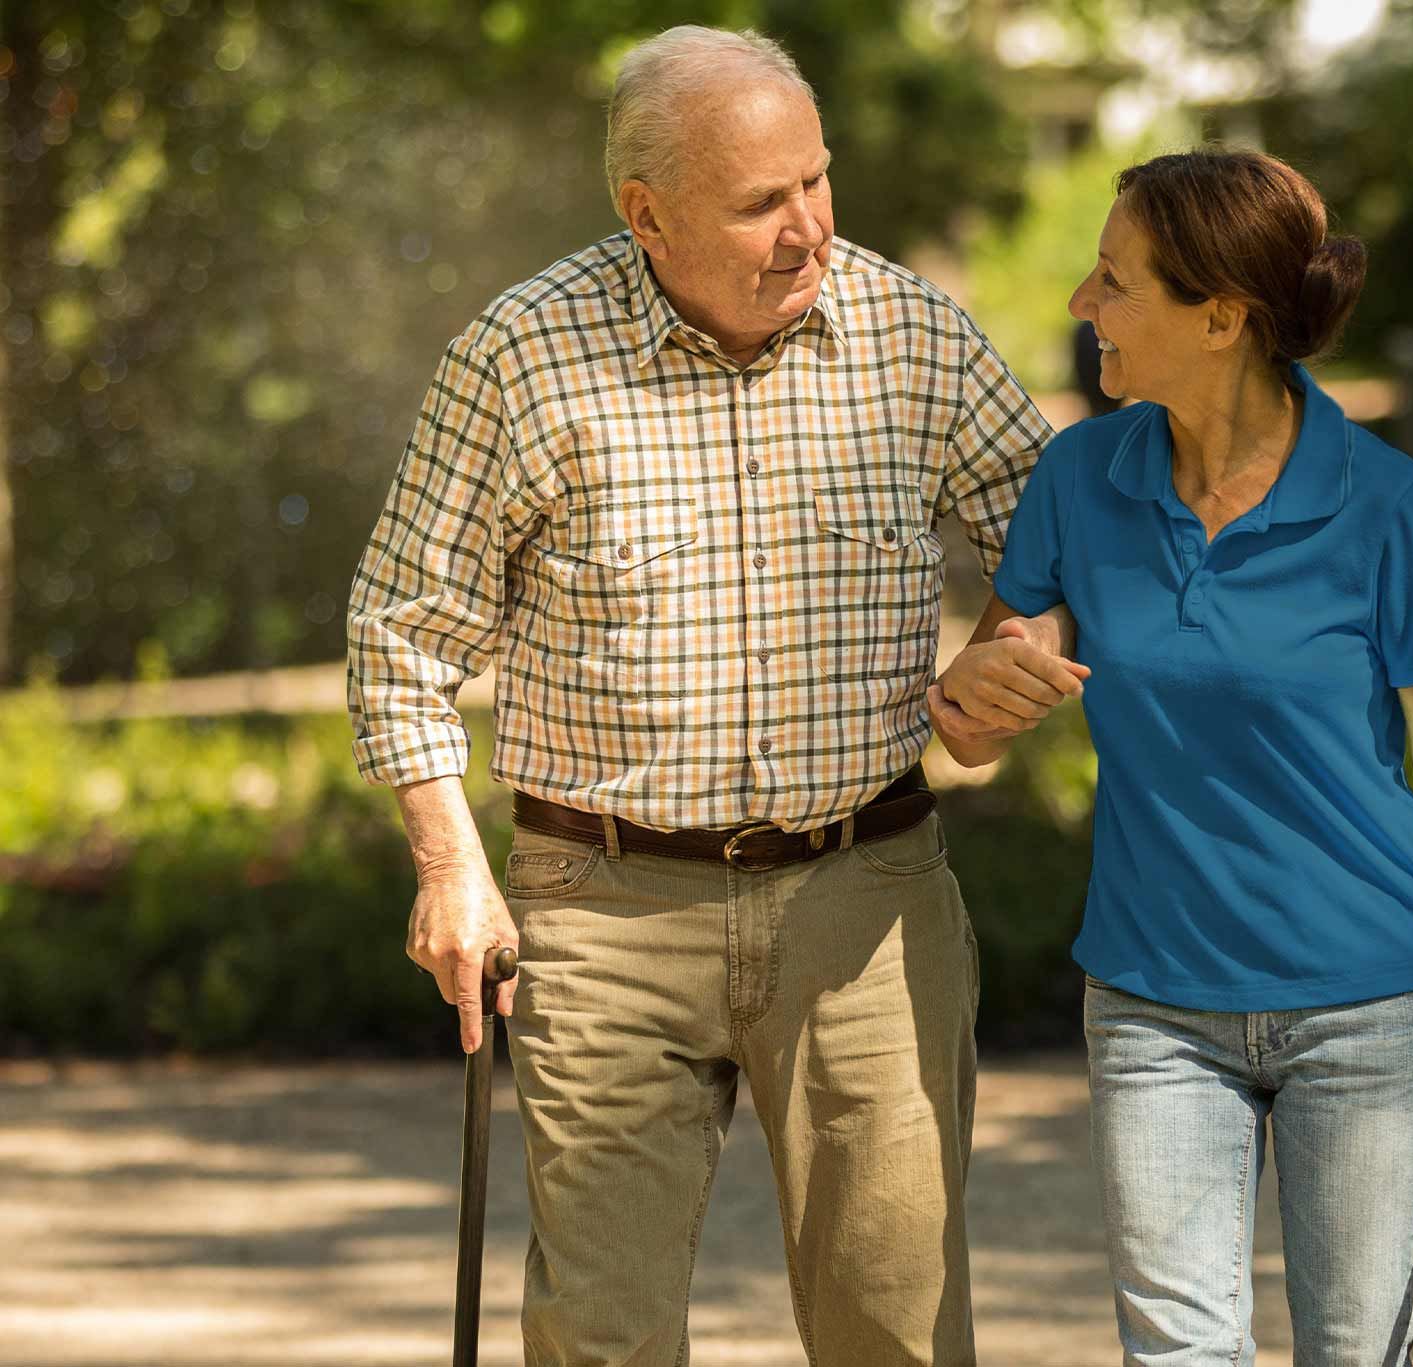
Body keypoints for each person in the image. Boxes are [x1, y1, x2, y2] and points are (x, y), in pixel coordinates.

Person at [346, 26, 1056, 1367]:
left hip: (868, 896)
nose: (807, 230)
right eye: (759, 203)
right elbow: (400, 634)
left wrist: (1011, 648)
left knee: (897, 1332)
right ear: (647, 217)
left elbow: (1064, 539)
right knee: (599, 1339)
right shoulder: (520, 358)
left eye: (816, 181)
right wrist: (448, 864)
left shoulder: (912, 333)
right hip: (599, 909)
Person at [929, 149, 1413, 1367]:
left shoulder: (1383, 501)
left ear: (1220, 316)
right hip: (1152, 1004)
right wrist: (967, 697)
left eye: (1113, 282)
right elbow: (975, 718)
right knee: (1176, 1354)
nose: (1080, 305)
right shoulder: (1079, 475)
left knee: (1352, 1349)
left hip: (1368, 1003)